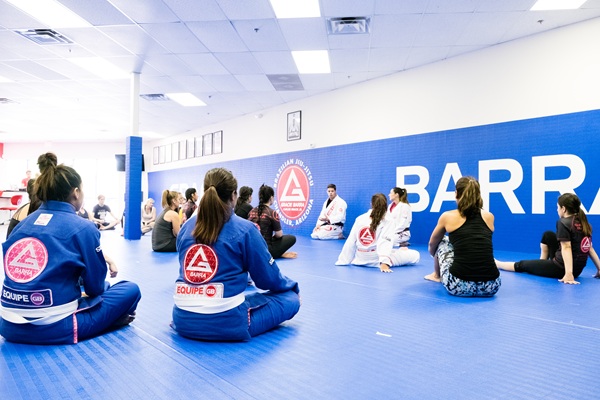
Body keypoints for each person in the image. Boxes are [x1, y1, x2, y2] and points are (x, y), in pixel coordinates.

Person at [0, 152, 141, 345]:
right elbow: (95, 287)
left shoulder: (21, 225)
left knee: (100, 288)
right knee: (129, 290)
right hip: (54, 327)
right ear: (76, 192)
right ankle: (108, 322)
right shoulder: (83, 227)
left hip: (8, 325)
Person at [172, 168, 300, 341]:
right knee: (291, 299)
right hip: (228, 322)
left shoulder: (186, 228)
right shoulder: (245, 229)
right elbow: (267, 280)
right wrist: (291, 286)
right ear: (234, 195)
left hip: (182, 319)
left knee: (249, 297)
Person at [496, 193, 600, 284]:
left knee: (522, 265)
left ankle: (498, 264)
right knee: (548, 235)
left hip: (561, 268)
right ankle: (541, 263)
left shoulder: (563, 222)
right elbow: (589, 248)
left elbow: (567, 247)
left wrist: (569, 274)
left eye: (557, 207)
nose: (557, 210)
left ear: (563, 209)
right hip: (577, 269)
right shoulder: (584, 222)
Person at [424, 176, 501, 297]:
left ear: (456, 193)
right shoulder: (489, 216)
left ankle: (436, 275)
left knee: (443, 240)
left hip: (459, 286)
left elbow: (432, 244)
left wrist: (435, 255)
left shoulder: (447, 216)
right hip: (491, 286)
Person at [335, 193, 420, 271]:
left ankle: (398, 251)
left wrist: (343, 260)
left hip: (360, 259)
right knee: (415, 255)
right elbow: (385, 242)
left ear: (371, 204)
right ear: (385, 205)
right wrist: (384, 263)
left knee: (393, 250)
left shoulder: (360, 219)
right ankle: (400, 252)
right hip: (377, 260)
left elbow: (351, 241)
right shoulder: (388, 220)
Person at [248, 184, 297, 259]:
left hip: (251, 248)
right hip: (266, 249)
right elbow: (279, 235)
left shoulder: (251, 211)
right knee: (292, 238)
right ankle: (277, 254)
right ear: (271, 198)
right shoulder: (272, 213)